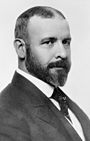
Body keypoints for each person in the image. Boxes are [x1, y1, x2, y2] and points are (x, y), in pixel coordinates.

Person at [0, 6, 90, 141]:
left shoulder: (62, 101)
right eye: (48, 42)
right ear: (21, 49)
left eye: (66, 42)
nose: (63, 53)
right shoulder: (5, 114)